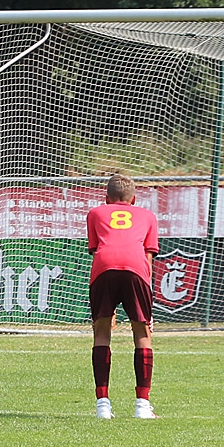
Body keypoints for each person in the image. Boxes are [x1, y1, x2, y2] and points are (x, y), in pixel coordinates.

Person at [85, 173, 159, 419]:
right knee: (142, 333)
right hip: (136, 268)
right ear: (134, 199)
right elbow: (148, 257)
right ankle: (142, 406)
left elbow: (97, 251)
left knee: (102, 332)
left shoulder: (95, 213)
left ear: (106, 198)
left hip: (103, 267)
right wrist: (148, 305)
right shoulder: (148, 216)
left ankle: (103, 406)